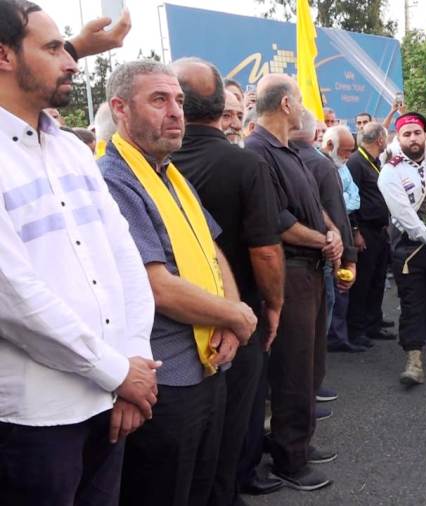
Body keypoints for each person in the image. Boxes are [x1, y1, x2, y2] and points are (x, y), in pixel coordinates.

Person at [0, 4, 158, 505]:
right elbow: (15, 299)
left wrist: (134, 362)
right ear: (4, 56)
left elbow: (124, 257)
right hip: (37, 419)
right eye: (53, 48)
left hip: (111, 398)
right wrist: (117, 372)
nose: (71, 61)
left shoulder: (72, 150)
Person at [100, 60, 257, 506]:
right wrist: (236, 315)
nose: (175, 112)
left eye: (180, 101)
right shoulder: (113, 181)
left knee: (202, 489)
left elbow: (212, 250)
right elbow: (157, 286)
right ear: (120, 109)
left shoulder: (170, 174)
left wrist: (229, 319)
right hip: (166, 382)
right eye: (159, 100)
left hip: (208, 362)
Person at [169, 57, 287, 505]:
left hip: (171, 321)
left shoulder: (158, 163)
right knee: (233, 422)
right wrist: (273, 306)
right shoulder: (243, 165)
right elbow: (265, 249)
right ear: (222, 107)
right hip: (237, 316)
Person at [243, 73, 337, 491]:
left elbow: (313, 206)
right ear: (285, 104)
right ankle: (288, 459)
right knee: (292, 369)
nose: (303, 107)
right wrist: (323, 240)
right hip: (290, 271)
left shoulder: (288, 150)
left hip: (310, 269)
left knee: (310, 363)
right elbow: (277, 221)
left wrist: (331, 231)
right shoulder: (258, 152)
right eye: (299, 99)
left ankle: (298, 441)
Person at [377, 112, 426, 385]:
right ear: (398, 138)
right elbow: (406, 217)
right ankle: (413, 360)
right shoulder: (390, 171)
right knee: (413, 304)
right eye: (406, 134)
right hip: (409, 250)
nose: (413, 138)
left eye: (417, 133)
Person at [346, 122, 395, 352]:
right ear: (380, 140)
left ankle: (374, 322)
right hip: (364, 231)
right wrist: (355, 231)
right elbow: (349, 200)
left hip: (379, 230)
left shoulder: (374, 161)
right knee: (362, 283)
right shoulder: (356, 162)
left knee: (377, 280)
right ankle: (356, 330)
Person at [320, 124, 364, 353]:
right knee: (332, 296)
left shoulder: (341, 166)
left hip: (344, 232)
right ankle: (332, 339)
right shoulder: (320, 166)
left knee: (339, 295)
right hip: (328, 242)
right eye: (346, 151)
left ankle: (338, 337)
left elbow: (354, 198)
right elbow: (335, 205)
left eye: (350, 151)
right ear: (330, 145)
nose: (348, 156)